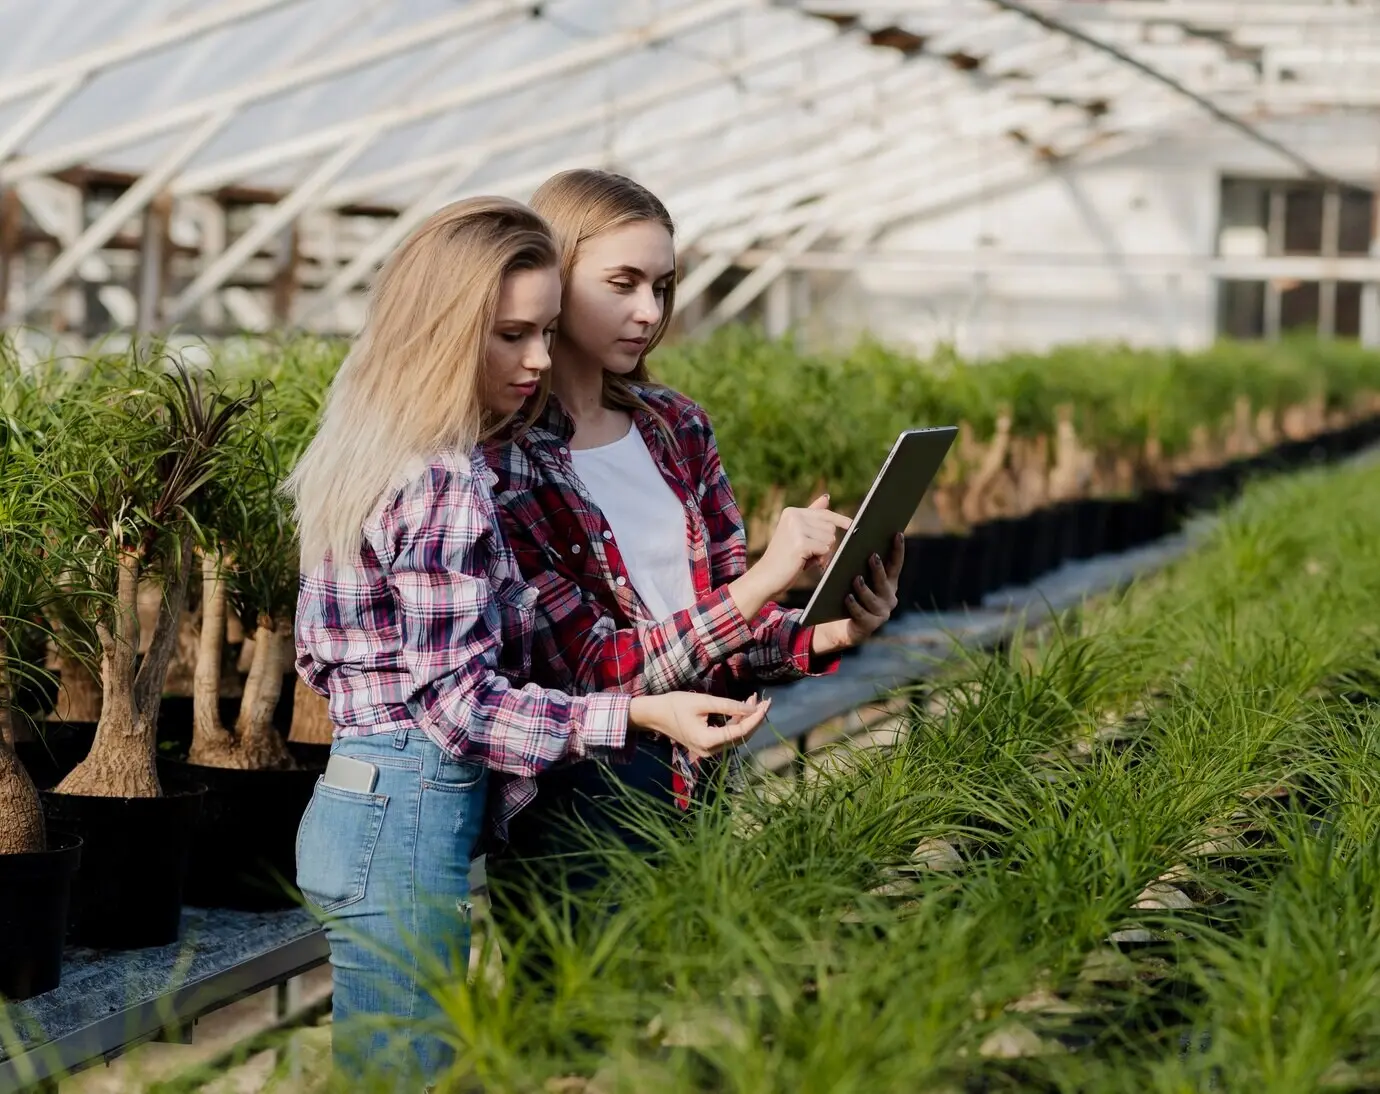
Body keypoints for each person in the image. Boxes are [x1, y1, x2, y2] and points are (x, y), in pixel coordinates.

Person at [286, 195, 770, 1087]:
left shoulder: (371, 445)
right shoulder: (443, 476)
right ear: (442, 330)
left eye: (545, 332)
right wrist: (633, 715)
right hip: (407, 805)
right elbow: (457, 706)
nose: (539, 359)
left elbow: (327, 660)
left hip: (370, 797)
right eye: (511, 335)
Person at [482, 169, 902, 919]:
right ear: (553, 276)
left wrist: (824, 632)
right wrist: (764, 580)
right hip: (583, 797)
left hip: (701, 774)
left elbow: (718, 637)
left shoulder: (676, 426)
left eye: (663, 287)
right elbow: (592, 667)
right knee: (585, 995)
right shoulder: (503, 460)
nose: (649, 312)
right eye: (622, 283)